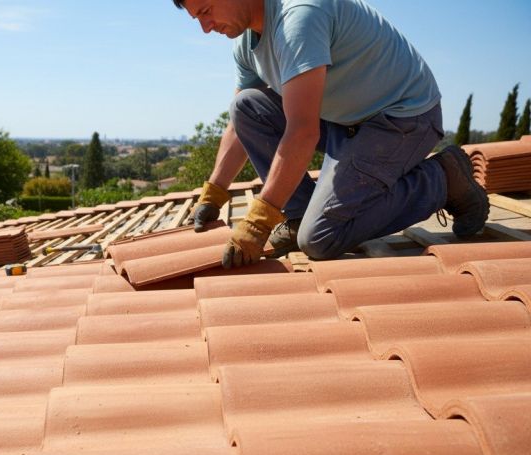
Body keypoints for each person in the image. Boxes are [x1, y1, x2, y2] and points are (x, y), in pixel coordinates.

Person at [174, 0, 489, 268]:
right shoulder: (245, 43)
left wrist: (258, 222)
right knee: (246, 106)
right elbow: (240, 122)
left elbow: (301, 132)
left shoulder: (298, 17)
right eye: (197, 18)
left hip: (402, 120)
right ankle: (298, 215)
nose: (205, 27)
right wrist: (214, 192)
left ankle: (442, 179)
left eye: (205, 10)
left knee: (319, 240)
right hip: (343, 122)